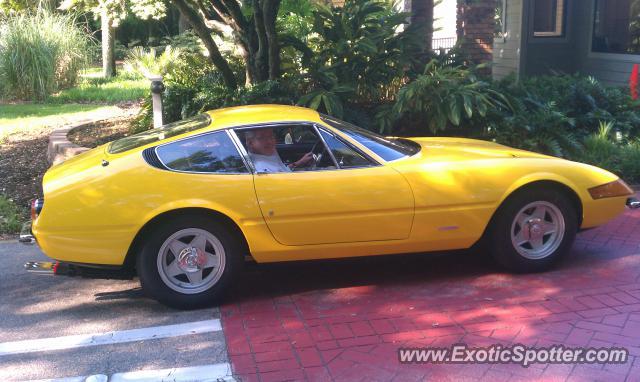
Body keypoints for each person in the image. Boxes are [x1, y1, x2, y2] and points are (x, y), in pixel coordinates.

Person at [245, 128, 314, 173]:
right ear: (250, 143)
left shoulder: (265, 152)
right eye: (262, 138)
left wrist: (299, 163)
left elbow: (282, 170)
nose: (269, 141)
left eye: (271, 136)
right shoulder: (261, 170)